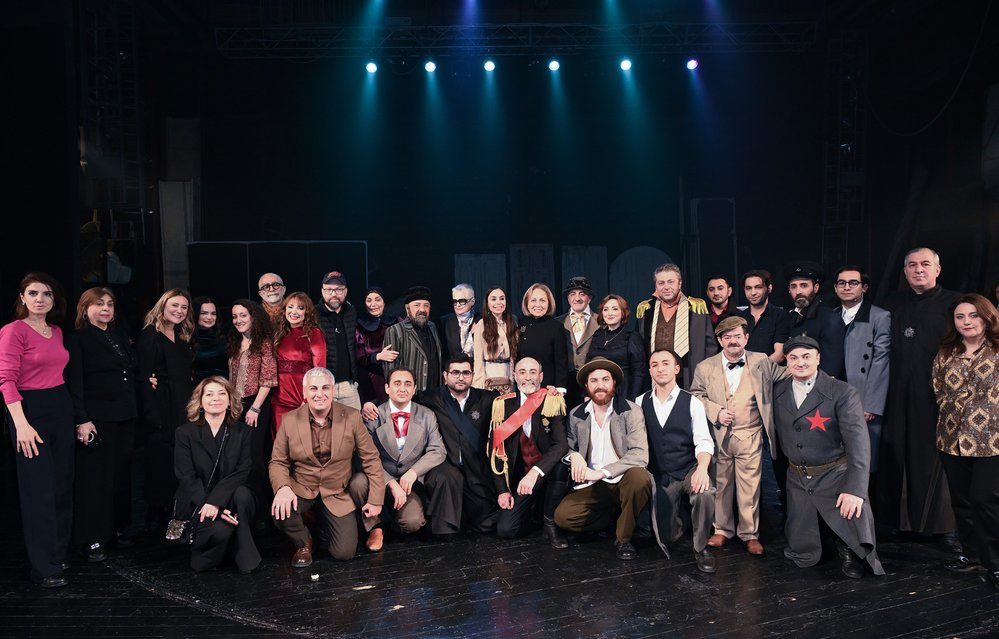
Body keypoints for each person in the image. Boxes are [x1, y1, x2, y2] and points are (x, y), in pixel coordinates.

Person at [773, 336, 884, 579]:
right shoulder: (778, 391)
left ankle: (849, 548)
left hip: (835, 475)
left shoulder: (842, 392)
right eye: (793, 358)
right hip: (798, 478)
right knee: (801, 550)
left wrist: (855, 489)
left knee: (852, 525)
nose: (800, 363)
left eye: (806, 356)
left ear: (818, 358)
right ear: (786, 362)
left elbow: (859, 444)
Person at [877, 248, 962, 551]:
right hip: (895, 395)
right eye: (912, 265)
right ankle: (900, 523)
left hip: (937, 397)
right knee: (896, 456)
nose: (919, 270)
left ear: (938, 269)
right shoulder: (890, 303)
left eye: (925, 264)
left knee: (936, 460)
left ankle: (945, 528)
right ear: (905, 272)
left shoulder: (955, 303)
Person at [689, 316, 788, 556]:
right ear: (720, 340)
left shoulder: (761, 361)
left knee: (750, 487)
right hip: (719, 437)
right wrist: (716, 411)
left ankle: (750, 534)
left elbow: (787, 374)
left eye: (737, 336)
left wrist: (818, 375)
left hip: (750, 434)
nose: (733, 341)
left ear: (746, 338)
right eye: (727, 337)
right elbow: (695, 396)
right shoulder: (705, 366)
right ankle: (722, 530)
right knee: (721, 484)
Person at [0, 273, 74, 587]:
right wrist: (21, 425)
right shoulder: (13, 331)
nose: (40, 299)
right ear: (22, 297)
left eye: (46, 294)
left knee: (61, 487)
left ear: (54, 300)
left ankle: (57, 554)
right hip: (30, 412)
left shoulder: (56, 331)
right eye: (33, 293)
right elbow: (6, 381)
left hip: (61, 406)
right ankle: (44, 567)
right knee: (39, 492)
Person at [270, 367, 384, 566]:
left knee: (344, 553)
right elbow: (278, 461)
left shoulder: (352, 417)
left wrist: (376, 500)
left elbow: (371, 459)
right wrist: (283, 488)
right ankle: (304, 541)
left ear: (332, 390)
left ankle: (325, 527)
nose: (319, 394)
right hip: (302, 488)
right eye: (313, 389)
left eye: (325, 388)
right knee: (280, 510)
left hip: (337, 491)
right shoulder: (289, 420)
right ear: (304, 392)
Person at [932, 294, 999, 592]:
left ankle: (996, 563)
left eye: (973, 315)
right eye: (960, 317)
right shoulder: (946, 351)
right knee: (962, 501)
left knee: (985, 500)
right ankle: (974, 556)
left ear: (986, 317)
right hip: (952, 439)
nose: (966, 322)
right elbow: (938, 389)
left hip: (991, 441)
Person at [553, 358, 652, 561]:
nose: (600, 385)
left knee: (640, 478)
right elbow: (566, 447)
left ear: (614, 382)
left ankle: (623, 539)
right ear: (586, 385)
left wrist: (602, 472)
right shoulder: (576, 414)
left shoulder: (631, 410)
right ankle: (614, 516)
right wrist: (575, 456)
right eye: (594, 380)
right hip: (592, 484)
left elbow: (640, 454)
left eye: (605, 379)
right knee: (563, 518)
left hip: (622, 478)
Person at [66, 286, 138, 562]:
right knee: (95, 479)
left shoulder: (118, 335)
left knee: (120, 477)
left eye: (109, 304)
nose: (106, 308)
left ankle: (116, 530)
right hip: (97, 418)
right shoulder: (78, 339)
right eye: (99, 304)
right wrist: (82, 420)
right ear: (85, 309)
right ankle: (91, 538)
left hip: (125, 414)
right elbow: (76, 383)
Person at [351, 368, 453, 550]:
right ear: (387, 388)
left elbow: (438, 450)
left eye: (408, 384)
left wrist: (413, 472)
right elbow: (362, 456)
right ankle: (375, 527)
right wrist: (390, 482)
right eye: (397, 383)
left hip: (409, 484)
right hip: (378, 477)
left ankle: (390, 521)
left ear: (414, 389)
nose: (402, 389)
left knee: (413, 522)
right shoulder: (373, 415)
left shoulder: (427, 415)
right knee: (357, 483)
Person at [636, 349, 718, 573]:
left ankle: (701, 548)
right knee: (667, 537)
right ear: (650, 371)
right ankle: (680, 519)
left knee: (705, 492)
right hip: (660, 474)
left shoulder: (692, 402)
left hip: (688, 468)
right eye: (654, 365)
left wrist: (702, 469)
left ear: (676, 369)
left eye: (665, 363)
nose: (660, 368)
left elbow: (704, 441)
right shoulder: (640, 402)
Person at [174, 377, 261, 574]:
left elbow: (243, 470)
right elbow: (186, 476)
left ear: (230, 401)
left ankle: (244, 554)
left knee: (243, 494)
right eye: (209, 394)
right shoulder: (185, 433)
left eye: (222, 393)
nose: (216, 398)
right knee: (220, 531)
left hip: (229, 499)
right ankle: (213, 553)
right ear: (200, 401)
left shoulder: (242, 431)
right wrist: (210, 505)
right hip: (198, 501)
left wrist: (217, 502)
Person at [488, 357, 569, 546]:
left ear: (541, 376)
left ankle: (550, 524)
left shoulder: (552, 401)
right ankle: (537, 517)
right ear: (515, 376)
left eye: (533, 372)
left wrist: (536, 472)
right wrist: (503, 491)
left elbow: (561, 445)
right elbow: (496, 451)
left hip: (547, 476)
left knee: (561, 467)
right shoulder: (502, 405)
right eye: (522, 372)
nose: (528, 377)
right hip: (520, 480)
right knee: (506, 529)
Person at [417, 355, 501, 533]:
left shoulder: (488, 399)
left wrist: (548, 394)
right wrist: (372, 404)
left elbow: (517, 404)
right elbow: (401, 401)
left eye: (466, 373)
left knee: (486, 524)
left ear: (472, 375)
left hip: (475, 470)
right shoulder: (430, 398)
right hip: (445, 468)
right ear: (445, 376)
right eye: (455, 372)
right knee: (448, 480)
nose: (461, 377)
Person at [137, 288, 195, 530]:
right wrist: (152, 414)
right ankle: (156, 512)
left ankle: (176, 511)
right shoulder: (150, 335)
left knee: (180, 459)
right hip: (160, 405)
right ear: (163, 306)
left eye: (184, 307)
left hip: (182, 404)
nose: (179, 311)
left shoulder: (182, 336)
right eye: (174, 305)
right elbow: (142, 377)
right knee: (160, 460)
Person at [832, 266, 890, 474]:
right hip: (835, 395)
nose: (847, 287)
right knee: (837, 458)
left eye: (853, 283)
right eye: (842, 283)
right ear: (835, 288)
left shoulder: (879, 316)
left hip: (863, 399)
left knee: (864, 460)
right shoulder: (832, 316)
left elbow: (881, 362)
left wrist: (871, 405)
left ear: (864, 287)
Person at [227, 299, 277, 518]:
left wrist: (255, 408)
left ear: (253, 317)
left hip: (256, 405)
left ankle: (261, 511)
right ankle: (242, 506)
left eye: (243, 315)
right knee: (238, 456)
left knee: (254, 456)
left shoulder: (264, 342)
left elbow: (268, 379)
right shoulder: (235, 342)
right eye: (234, 316)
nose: (238, 320)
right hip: (236, 406)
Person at [636, 263, 717, 389]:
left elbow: (710, 346)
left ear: (679, 284)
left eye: (670, 282)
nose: (666, 287)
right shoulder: (646, 309)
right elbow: (639, 347)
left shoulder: (696, 308)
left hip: (690, 376)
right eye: (661, 283)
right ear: (656, 286)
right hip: (655, 378)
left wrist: (705, 374)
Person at [272, 292, 326, 435]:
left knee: (302, 441)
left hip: (301, 398)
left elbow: (320, 370)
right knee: (280, 440)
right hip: (278, 398)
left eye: (300, 308)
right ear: (284, 310)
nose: (294, 312)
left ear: (307, 312)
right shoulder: (278, 333)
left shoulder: (314, 333)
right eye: (290, 307)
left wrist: (308, 399)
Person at [784, 261, 846, 379]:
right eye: (793, 286)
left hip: (816, 387)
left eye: (804, 285)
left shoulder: (829, 319)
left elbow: (830, 370)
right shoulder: (790, 317)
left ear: (816, 288)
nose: (798, 291)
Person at [585, 294, 648, 400]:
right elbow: (588, 366)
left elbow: (639, 372)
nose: (609, 313)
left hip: (623, 393)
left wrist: (632, 399)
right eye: (606, 309)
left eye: (615, 309)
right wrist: (587, 394)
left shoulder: (632, 337)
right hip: (598, 392)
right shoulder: (597, 335)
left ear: (623, 313)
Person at [383, 286, 443, 392]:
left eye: (426, 305)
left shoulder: (432, 327)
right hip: (410, 395)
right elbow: (390, 370)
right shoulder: (395, 330)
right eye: (417, 305)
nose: (422, 310)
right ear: (407, 308)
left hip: (435, 393)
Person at [315, 271, 361, 409]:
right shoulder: (313, 314)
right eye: (329, 289)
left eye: (338, 289)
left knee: (354, 422)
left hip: (349, 386)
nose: (334, 293)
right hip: (323, 387)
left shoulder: (351, 312)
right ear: (322, 291)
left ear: (345, 291)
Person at [517, 283, 571, 392]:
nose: (538, 304)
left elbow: (561, 363)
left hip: (547, 389)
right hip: (522, 388)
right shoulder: (519, 324)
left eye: (542, 300)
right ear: (527, 303)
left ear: (549, 303)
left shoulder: (556, 327)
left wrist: (560, 389)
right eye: (533, 300)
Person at [556, 276, 600, 404]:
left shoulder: (601, 321)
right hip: (565, 384)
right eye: (572, 294)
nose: (577, 298)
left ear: (589, 298)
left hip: (592, 381)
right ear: (568, 298)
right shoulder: (557, 323)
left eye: (582, 294)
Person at [355, 286, 399, 404]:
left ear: (384, 302)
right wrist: (378, 356)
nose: (373, 304)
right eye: (369, 300)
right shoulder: (359, 326)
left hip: (396, 378)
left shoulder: (397, 322)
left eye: (377, 299)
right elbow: (359, 358)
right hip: (371, 382)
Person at [734, 269, 789, 362]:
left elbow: (779, 355)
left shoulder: (780, 316)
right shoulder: (738, 318)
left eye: (758, 287)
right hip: (741, 369)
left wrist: (756, 369)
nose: (753, 293)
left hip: (770, 370)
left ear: (769, 288)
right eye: (748, 288)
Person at [471, 287, 517, 393]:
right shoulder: (481, 324)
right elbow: (478, 359)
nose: (498, 302)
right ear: (487, 303)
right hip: (490, 375)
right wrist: (478, 386)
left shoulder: (513, 322)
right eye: (493, 299)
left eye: (502, 298)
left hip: (509, 375)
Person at [191, 296, 228, 382]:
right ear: (195, 314)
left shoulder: (224, 338)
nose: (209, 317)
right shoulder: (187, 339)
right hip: (197, 387)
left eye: (213, 313)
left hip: (222, 386)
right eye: (203, 313)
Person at [440, 283, 479, 361]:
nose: (457, 305)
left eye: (462, 301)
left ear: (472, 301)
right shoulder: (444, 322)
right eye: (454, 301)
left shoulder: (482, 320)